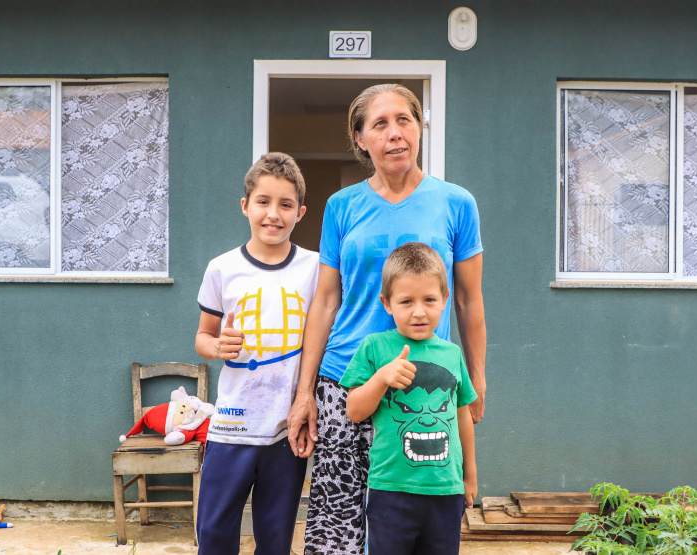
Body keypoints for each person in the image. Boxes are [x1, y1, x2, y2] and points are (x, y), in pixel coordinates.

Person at [287, 83, 486, 555]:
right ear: (360, 138)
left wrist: (476, 377)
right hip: (344, 385)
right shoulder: (342, 206)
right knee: (336, 527)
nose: (395, 133)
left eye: (405, 120)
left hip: (419, 387)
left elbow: (468, 300)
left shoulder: (456, 203)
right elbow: (325, 301)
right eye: (380, 124)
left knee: (411, 531)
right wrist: (304, 392)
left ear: (420, 128)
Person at [194, 152, 319, 555]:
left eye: (285, 205)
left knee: (275, 538)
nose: (273, 214)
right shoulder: (222, 268)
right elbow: (203, 336)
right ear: (245, 205)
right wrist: (216, 346)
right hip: (231, 426)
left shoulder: (316, 269)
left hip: (286, 428)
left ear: (300, 212)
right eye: (263, 202)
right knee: (213, 533)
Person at [340, 242, 477, 555]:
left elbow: (462, 415)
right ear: (387, 303)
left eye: (429, 299)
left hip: (446, 489)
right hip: (390, 490)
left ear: (444, 299)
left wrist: (470, 477)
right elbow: (355, 411)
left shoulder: (452, 354)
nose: (419, 311)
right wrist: (381, 378)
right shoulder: (374, 347)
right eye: (406, 301)